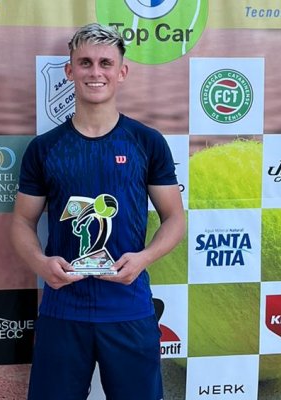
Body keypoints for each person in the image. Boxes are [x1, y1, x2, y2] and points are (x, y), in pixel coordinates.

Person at [11, 23, 186, 400]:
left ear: (121, 72)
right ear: (70, 71)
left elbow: (175, 218)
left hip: (128, 309)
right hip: (63, 311)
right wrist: (41, 264)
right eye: (85, 62)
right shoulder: (45, 148)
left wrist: (144, 258)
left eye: (106, 63)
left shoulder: (147, 142)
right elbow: (23, 222)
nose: (96, 72)